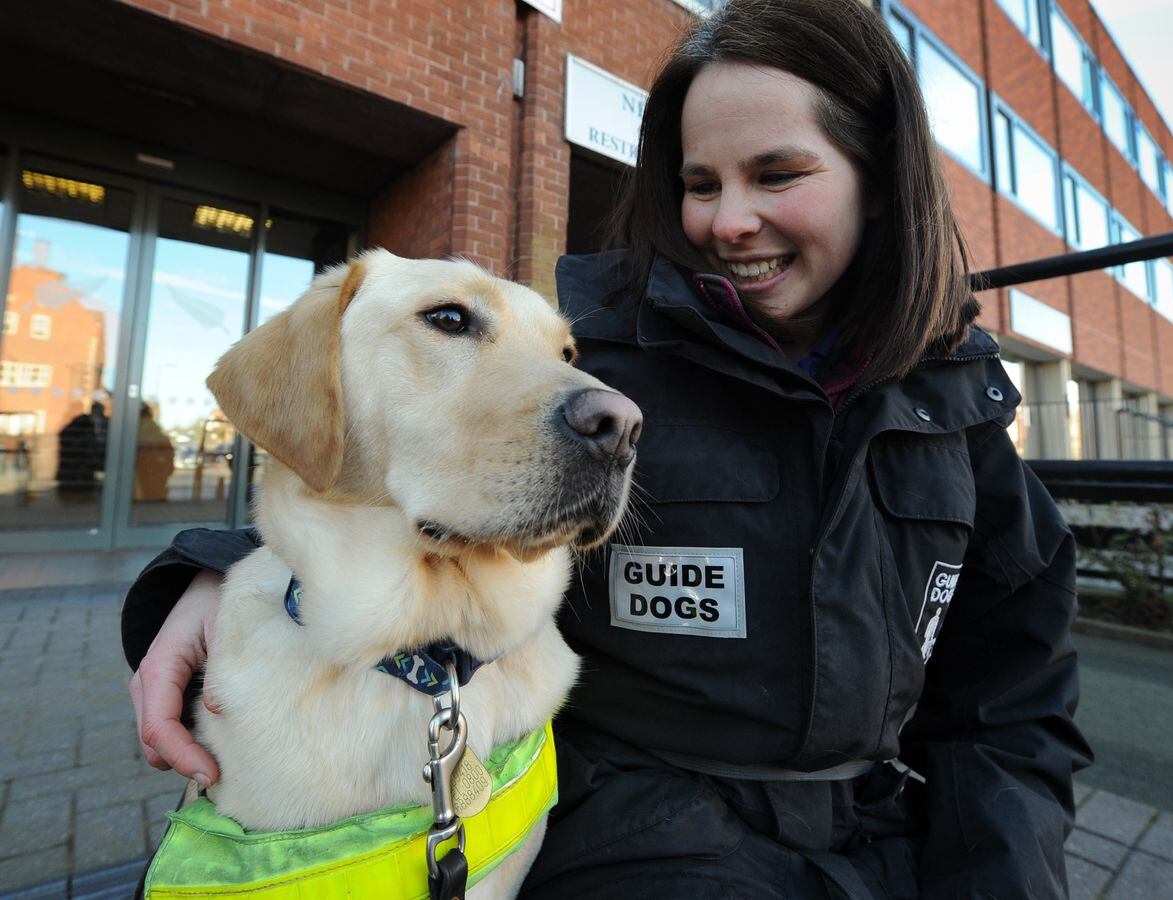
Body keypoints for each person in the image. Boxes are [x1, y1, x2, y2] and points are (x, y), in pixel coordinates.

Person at [122, 1, 1091, 896]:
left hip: (880, 842)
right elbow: (382, 454)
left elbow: (1011, 709)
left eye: (778, 174)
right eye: (699, 183)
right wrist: (215, 575)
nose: (726, 222)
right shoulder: (604, 359)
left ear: (879, 182)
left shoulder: (960, 405)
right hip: (636, 835)